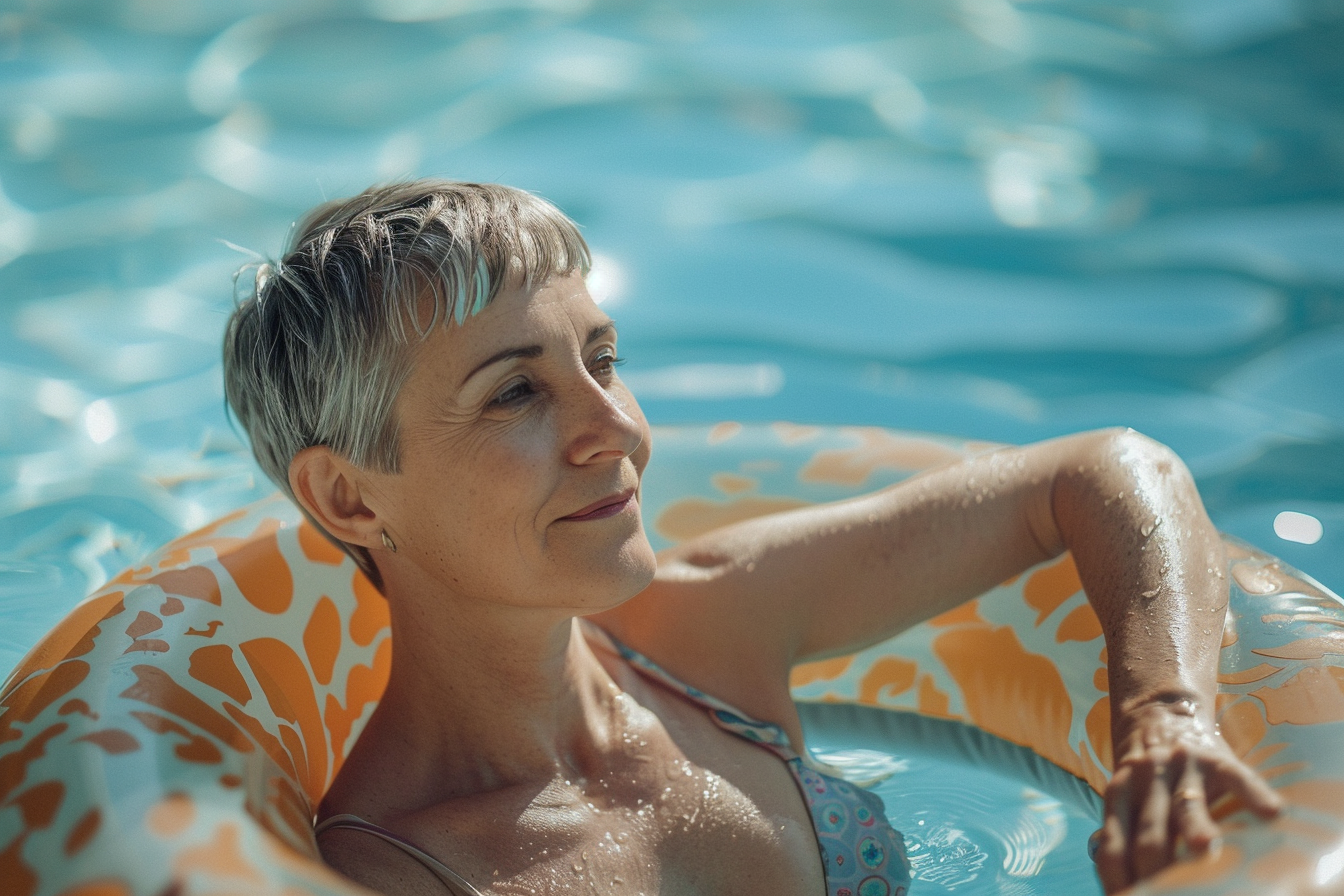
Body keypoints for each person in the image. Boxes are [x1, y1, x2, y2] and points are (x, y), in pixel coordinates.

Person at [222, 179, 1281, 896]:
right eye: (516, 394)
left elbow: (1108, 472)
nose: (619, 429)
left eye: (605, 356)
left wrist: (1164, 717)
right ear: (352, 499)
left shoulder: (701, 638)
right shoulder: (397, 868)